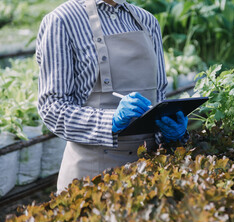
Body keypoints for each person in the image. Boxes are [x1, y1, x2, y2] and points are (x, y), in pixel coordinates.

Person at [36, 0, 188, 194]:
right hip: (92, 176)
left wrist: (170, 132)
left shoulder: (147, 21)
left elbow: (157, 93)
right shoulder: (62, 21)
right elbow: (52, 108)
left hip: (149, 172)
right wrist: (110, 121)